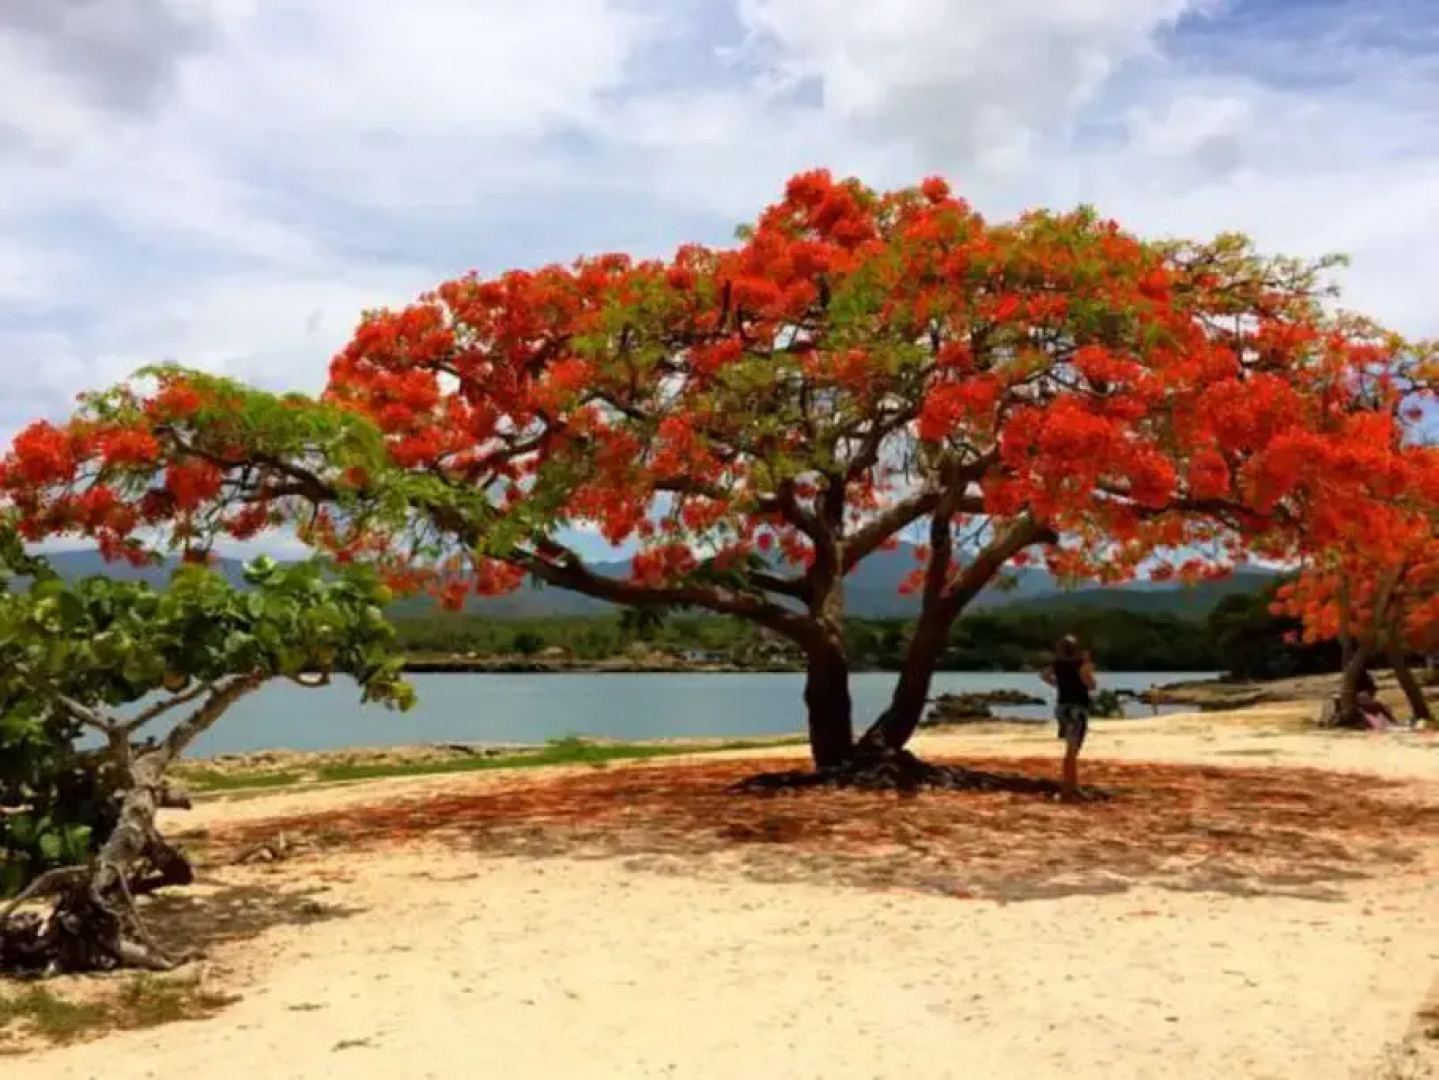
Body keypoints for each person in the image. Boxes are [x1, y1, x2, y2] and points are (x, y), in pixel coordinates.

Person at [1040, 635, 1097, 800]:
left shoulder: (1057, 665)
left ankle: (1071, 786)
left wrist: (1059, 684)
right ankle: (1068, 788)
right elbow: (1091, 685)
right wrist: (1088, 665)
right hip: (1077, 708)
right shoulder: (1081, 665)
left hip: (1062, 707)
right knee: (1072, 751)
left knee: (1070, 749)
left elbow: (1044, 675)